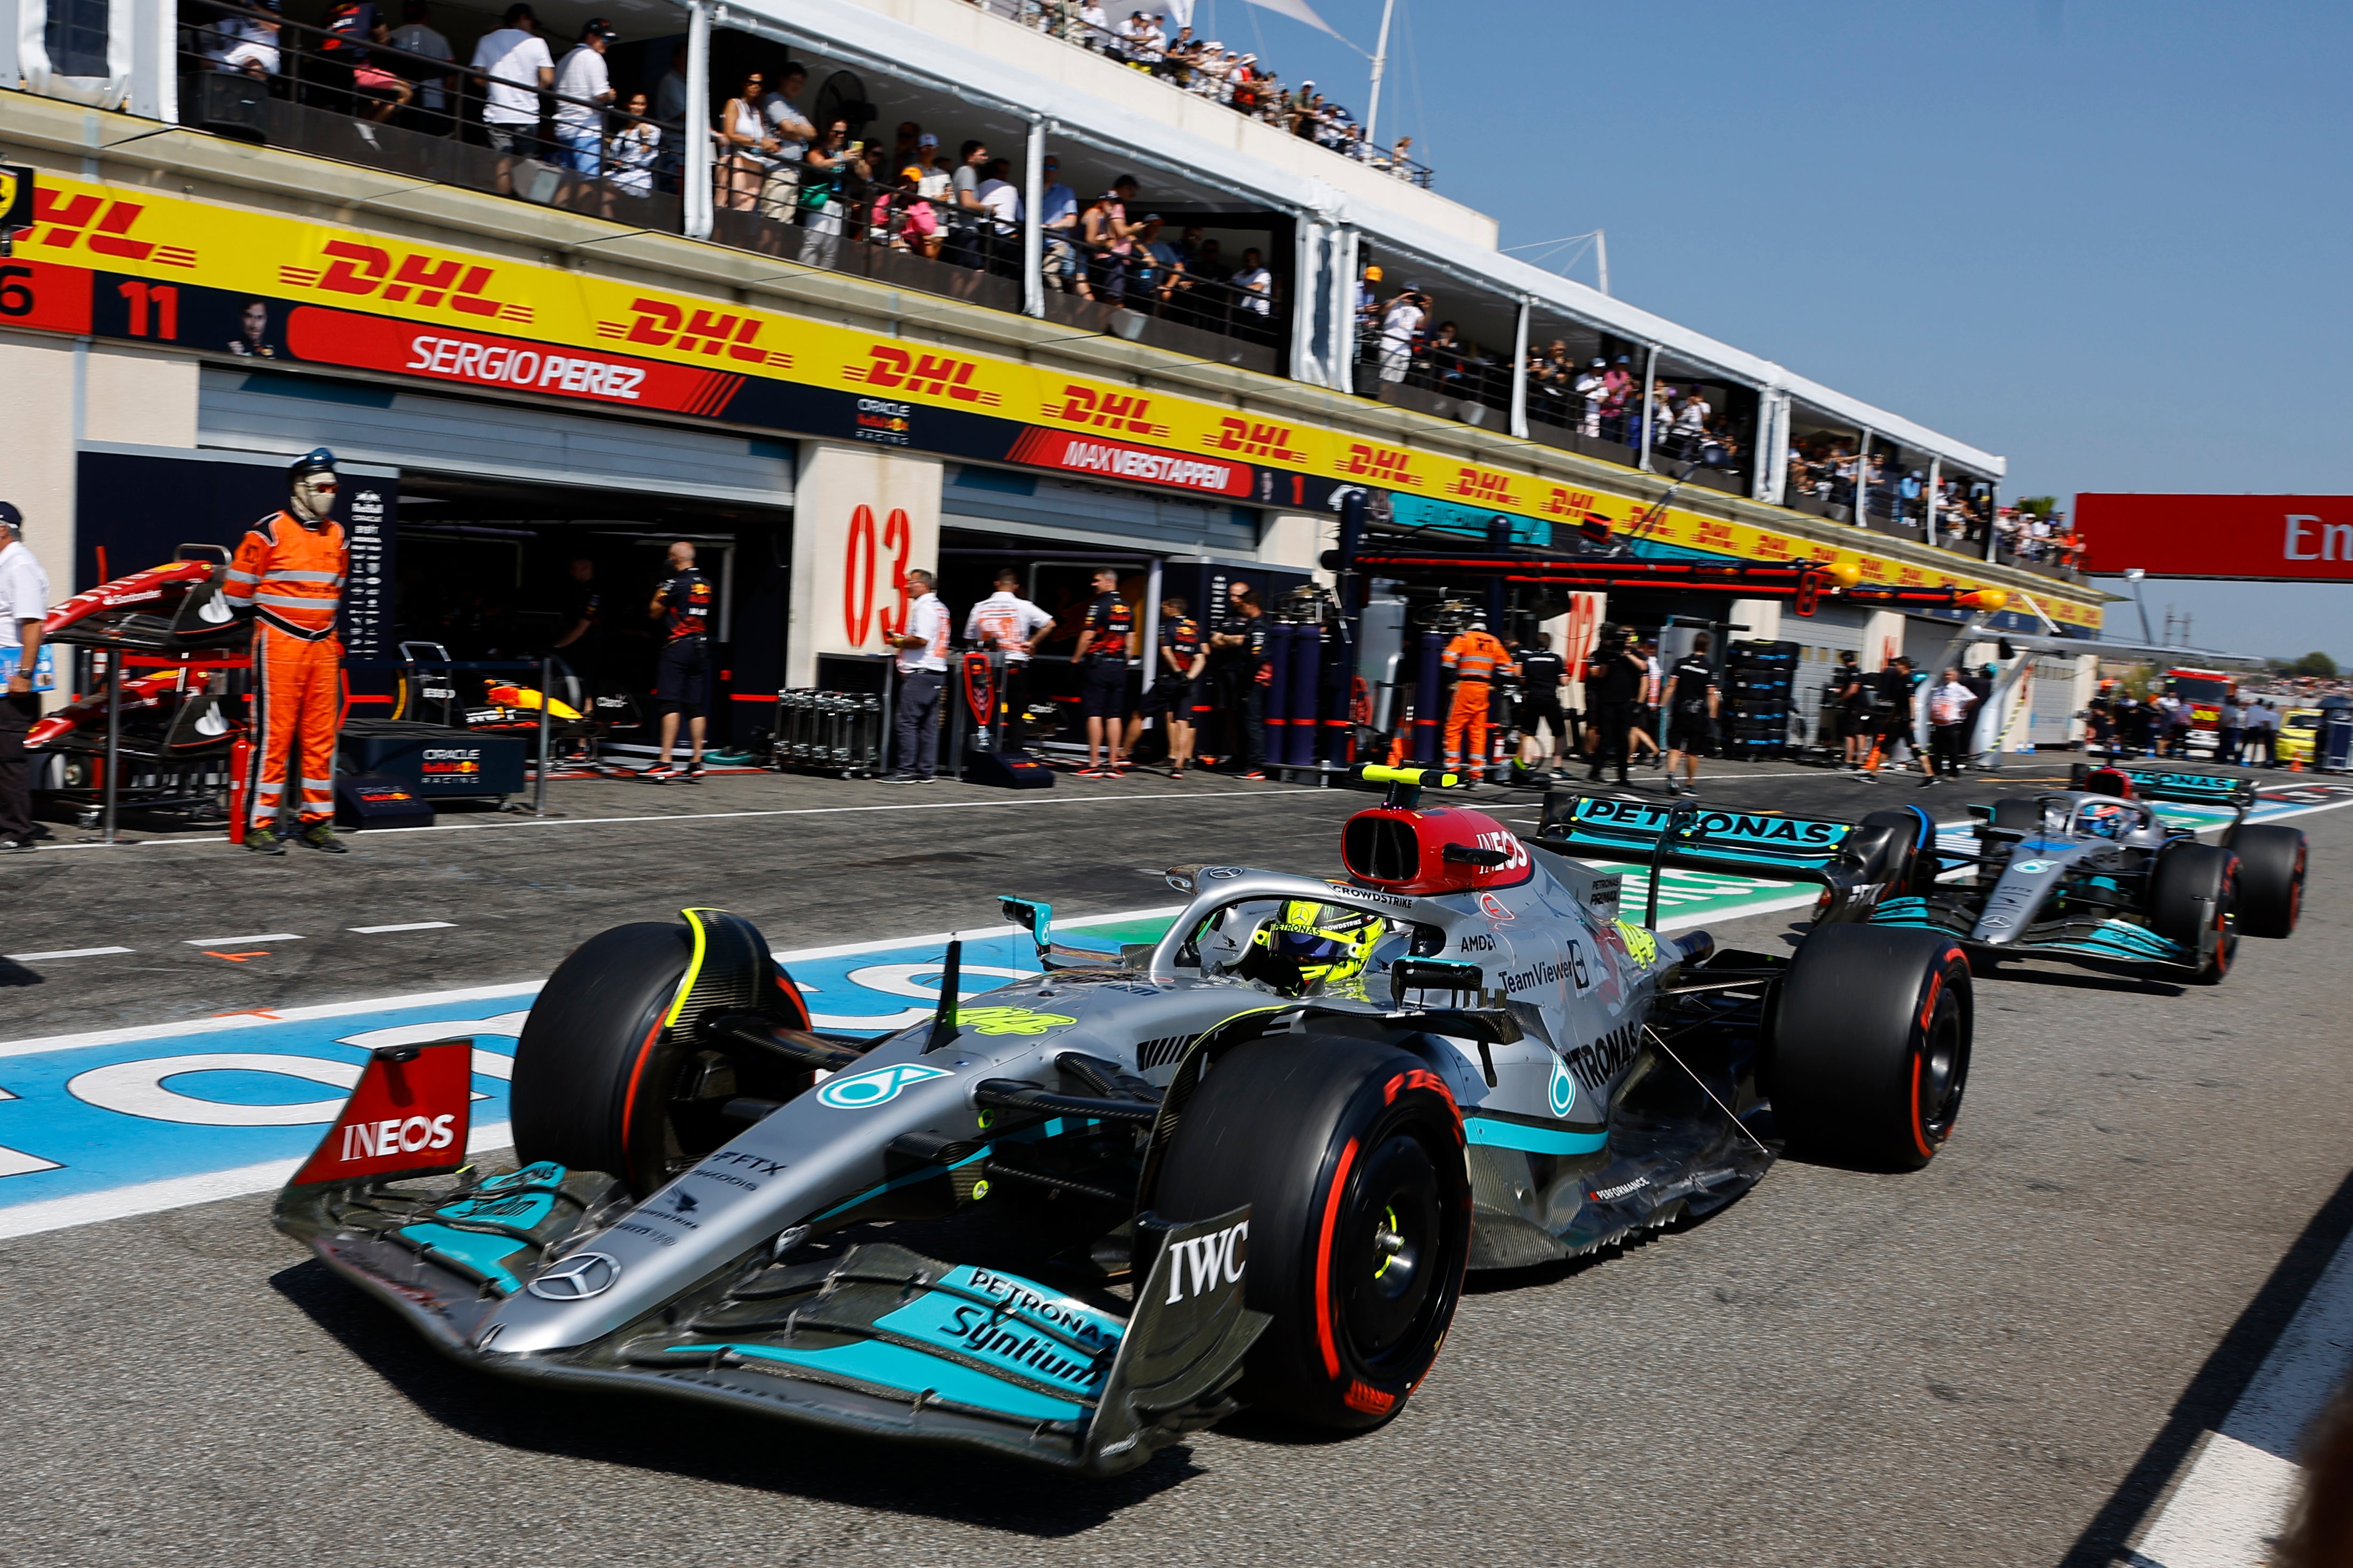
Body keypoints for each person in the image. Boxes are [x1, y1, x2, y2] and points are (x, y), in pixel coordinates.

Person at [226, 449, 350, 854]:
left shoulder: (338, 534)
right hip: (280, 642)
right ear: (300, 488)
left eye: (333, 487)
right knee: (274, 736)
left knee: (321, 737)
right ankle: (259, 825)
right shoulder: (268, 532)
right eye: (322, 487)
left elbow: (336, 587)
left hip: (323, 645)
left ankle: (317, 822)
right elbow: (237, 593)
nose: (329, 494)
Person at [0, 503, 52, 854]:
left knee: (9, 758)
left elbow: (33, 624)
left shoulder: (20, 565)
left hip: (12, 679)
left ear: (3, 529)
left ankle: (17, 831)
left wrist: (24, 674)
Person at [642, 540, 712, 782]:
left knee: (669, 702)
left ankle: (665, 761)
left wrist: (661, 586)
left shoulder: (674, 583)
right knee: (694, 705)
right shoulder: (707, 584)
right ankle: (697, 761)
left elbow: (654, 611)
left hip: (678, 646)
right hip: (701, 646)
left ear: (674, 560)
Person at [963, 568, 1054, 749]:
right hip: (1014, 665)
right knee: (1016, 713)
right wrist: (1032, 643)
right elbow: (1050, 624)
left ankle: (984, 749)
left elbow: (969, 638)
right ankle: (1015, 751)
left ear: (996, 584)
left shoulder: (980, 607)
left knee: (985, 711)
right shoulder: (1024, 606)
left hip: (986, 667)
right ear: (1015, 586)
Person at [885, 568, 950, 783]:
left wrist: (898, 641)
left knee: (907, 722)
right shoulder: (940, 608)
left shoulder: (924, 608)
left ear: (923, 585)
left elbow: (921, 640)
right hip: (936, 672)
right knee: (928, 725)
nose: (907, 587)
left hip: (920, 673)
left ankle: (906, 771)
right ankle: (926, 771)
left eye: (911, 583)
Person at [1132, 594, 1205, 777]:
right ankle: (1180, 764)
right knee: (1183, 722)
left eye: (1164, 607)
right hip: (1189, 681)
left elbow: (1166, 651)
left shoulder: (1168, 626)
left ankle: (1123, 754)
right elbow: (1203, 655)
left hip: (1170, 679)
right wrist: (1189, 678)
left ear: (1173, 608)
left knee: (1141, 714)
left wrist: (1179, 673)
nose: (1161, 609)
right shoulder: (1194, 627)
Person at [468, 3, 553, 158]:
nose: (532, 28)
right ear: (523, 18)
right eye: (532, 23)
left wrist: (494, 88)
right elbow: (548, 78)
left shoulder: (487, 40)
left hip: (497, 113)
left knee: (503, 161)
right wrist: (532, 92)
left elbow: (476, 76)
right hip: (527, 113)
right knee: (528, 162)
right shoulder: (537, 42)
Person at [1074, 568, 1134, 776]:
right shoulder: (1127, 607)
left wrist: (1075, 659)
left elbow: (1088, 636)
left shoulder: (1098, 605)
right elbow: (1131, 639)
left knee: (1094, 713)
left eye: (1096, 581)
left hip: (1099, 665)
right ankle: (1113, 764)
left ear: (1109, 582)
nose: (1093, 584)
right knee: (1114, 715)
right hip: (1119, 666)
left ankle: (1094, 763)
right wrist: (1124, 661)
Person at [1440, 616, 1514, 774]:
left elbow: (1447, 659)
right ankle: (1476, 772)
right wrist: (1495, 684)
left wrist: (1451, 681)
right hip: (1483, 690)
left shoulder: (1464, 638)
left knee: (1454, 729)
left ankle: (1453, 768)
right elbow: (1509, 668)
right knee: (1478, 732)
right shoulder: (1494, 641)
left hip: (1464, 687)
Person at [550, 18, 616, 177]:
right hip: (586, 130)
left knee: (568, 181)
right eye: (605, 39)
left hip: (564, 129)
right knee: (589, 181)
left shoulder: (564, 60)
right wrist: (610, 95)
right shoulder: (594, 58)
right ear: (590, 37)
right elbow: (600, 95)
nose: (607, 44)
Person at [1582, 624, 1647, 785]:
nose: (1627, 640)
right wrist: (1611, 654)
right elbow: (1600, 674)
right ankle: (1596, 771)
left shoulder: (1635, 654)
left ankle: (1623, 776)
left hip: (1626, 702)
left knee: (1623, 739)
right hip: (1607, 701)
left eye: (1630, 637)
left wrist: (1626, 653)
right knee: (1606, 737)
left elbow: (1643, 667)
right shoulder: (1606, 653)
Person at [1659, 635, 1719, 797]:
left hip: (1680, 710)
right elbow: (1711, 694)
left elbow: (1671, 686)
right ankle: (1690, 784)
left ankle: (1671, 774)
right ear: (1708, 647)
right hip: (1698, 714)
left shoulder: (1681, 663)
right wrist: (1713, 717)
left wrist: (1661, 706)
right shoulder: (1709, 668)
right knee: (1693, 751)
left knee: (1675, 747)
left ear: (1694, 645)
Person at [758, 63, 813, 219]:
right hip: (778, 169)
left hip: (793, 173)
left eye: (801, 83)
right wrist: (796, 130)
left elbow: (813, 133)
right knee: (772, 221)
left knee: (785, 225)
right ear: (783, 79)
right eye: (794, 80)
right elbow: (788, 128)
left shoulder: (795, 109)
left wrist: (795, 132)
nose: (798, 85)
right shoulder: (774, 100)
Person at [714, 71, 773, 213]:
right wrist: (759, 141)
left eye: (759, 84)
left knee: (747, 207)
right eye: (750, 83)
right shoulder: (734, 104)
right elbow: (730, 134)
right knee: (726, 205)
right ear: (743, 84)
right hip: (735, 159)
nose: (755, 87)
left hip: (755, 162)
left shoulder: (757, 111)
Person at [1857, 654, 1923, 781]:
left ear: (1904, 666)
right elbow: (1898, 704)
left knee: (1887, 746)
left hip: (1902, 720)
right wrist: (1889, 719)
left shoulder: (1908, 680)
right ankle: (1930, 774)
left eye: (1897, 665)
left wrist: (1912, 719)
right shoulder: (1900, 680)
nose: (1895, 668)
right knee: (1912, 745)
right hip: (1900, 718)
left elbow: (1911, 701)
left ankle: (1873, 774)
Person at [1514, 632, 1571, 774]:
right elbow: (1564, 681)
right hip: (1549, 698)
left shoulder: (1529, 659)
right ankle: (1557, 767)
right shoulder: (1556, 659)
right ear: (1549, 644)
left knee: (1529, 732)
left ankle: (1527, 763)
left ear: (1536, 643)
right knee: (1559, 733)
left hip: (1533, 698)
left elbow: (1522, 679)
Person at [388, 2, 450, 124]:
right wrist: (446, 101)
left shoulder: (391, 37)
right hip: (434, 102)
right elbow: (451, 79)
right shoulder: (440, 40)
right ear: (426, 16)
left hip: (398, 101)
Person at [1923, 665, 1975, 787]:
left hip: (1952, 724)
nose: (1947, 677)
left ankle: (1954, 773)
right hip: (1938, 723)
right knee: (1937, 749)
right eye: (1945, 675)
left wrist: (1963, 710)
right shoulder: (1940, 689)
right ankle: (1937, 770)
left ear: (1956, 676)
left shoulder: (1959, 689)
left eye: (1949, 675)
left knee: (1952, 749)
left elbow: (1972, 699)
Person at [605, 91, 660, 197]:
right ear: (628, 105)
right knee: (604, 195)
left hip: (636, 177)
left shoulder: (653, 130)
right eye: (634, 103)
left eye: (642, 104)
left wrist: (645, 135)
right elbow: (614, 156)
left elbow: (644, 153)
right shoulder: (621, 131)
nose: (638, 107)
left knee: (600, 186)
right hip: (616, 174)